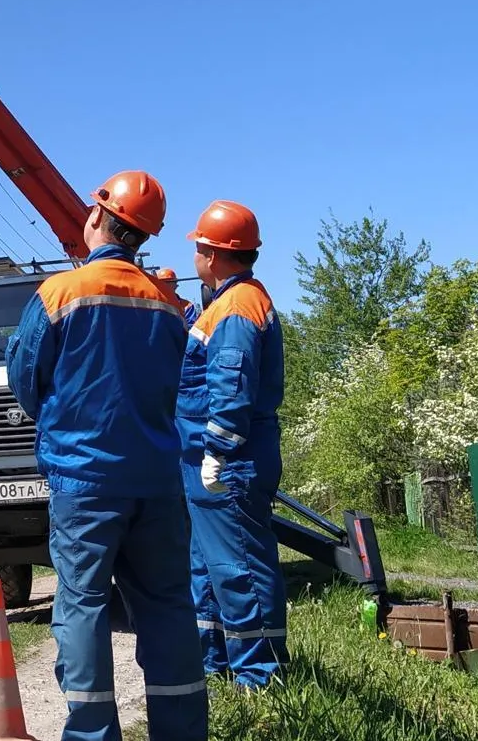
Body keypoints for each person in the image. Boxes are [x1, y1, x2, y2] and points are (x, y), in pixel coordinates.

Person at [5, 172, 207, 741]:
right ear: (145, 236)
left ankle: (92, 734)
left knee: (84, 607)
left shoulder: (60, 294)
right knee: (169, 606)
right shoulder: (168, 305)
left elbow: (24, 378)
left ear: (97, 217)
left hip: (84, 481)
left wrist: (62, 419)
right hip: (158, 482)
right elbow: (185, 384)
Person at [177, 200, 287, 688]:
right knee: (208, 568)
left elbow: (232, 382)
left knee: (238, 566)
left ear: (214, 254)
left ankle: (261, 678)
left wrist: (218, 450)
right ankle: (216, 664)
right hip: (214, 459)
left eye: (199, 247)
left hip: (230, 461)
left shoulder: (238, 308)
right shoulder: (227, 304)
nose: (195, 255)